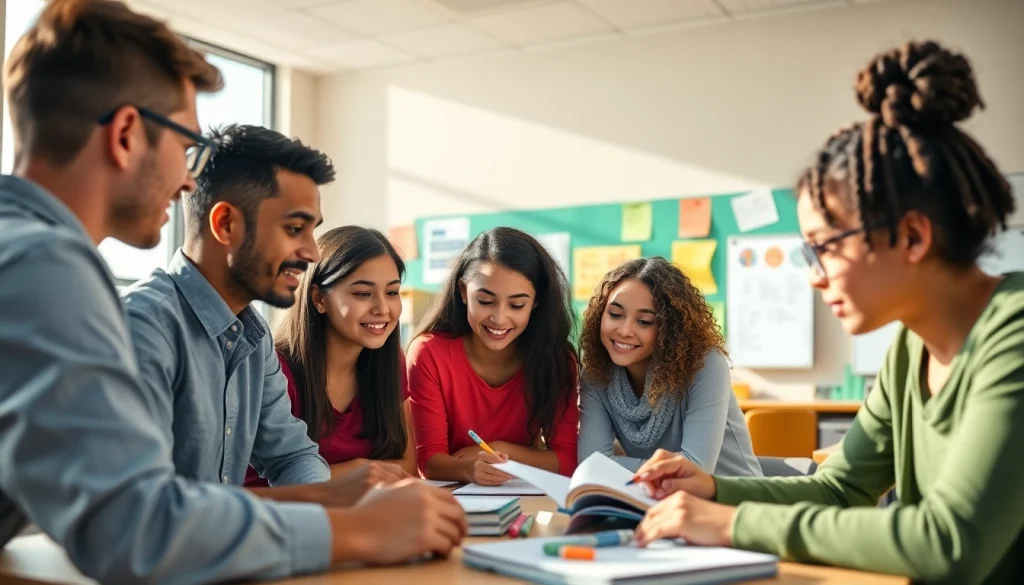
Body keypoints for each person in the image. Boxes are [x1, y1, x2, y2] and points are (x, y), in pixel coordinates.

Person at [0, 2, 465, 583]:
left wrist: (343, 503)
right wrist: (361, 529)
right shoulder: (46, 265)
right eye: (181, 141)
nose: (187, 176)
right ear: (124, 135)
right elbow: (132, 525)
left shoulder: (242, 331)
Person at [630, 40, 1023, 585]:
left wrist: (731, 523)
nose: (814, 274)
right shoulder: (911, 348)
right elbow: (836, 488)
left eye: (824, 247)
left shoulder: (1015, 334)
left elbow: (951, 541)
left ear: (911, 236)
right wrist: (712, 488)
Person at [123, 123, 408, 504]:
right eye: (294, 229)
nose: (313, 253)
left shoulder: (251, 337)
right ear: (226, 224)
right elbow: (146, 505)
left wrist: (338, 509)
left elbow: (292, 456)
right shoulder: (143, 328)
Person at [245, 226, 417, 486]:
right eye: (363, 294)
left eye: (392, 292)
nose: (383, 308)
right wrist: (357, 470)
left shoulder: (390, 361)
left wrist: (356, 475)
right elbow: (256, 488)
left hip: (363, 515)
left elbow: (406, 464)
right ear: (319, 299)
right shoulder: (276, 369)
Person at [408, 227, 580, 484]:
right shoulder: (429, 353)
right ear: (464, 293)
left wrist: (500, 449)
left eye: (516, 305)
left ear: (536, 301)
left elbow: (567, 461)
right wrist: (468, 469)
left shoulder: (557, 360)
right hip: (454, 497)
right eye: (486, 301)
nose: (499, 318)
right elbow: (429, 460)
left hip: (524, 497)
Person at [576, 257, 761, 476]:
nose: (625, 330)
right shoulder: (597, 372)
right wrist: (606, 466)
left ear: (670, 328)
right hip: (652, 499)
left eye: (644, 321)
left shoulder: (705, 364)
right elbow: (590, 464)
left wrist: (612, 466)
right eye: (615, 314)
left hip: (731, 500)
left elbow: (695, 470)